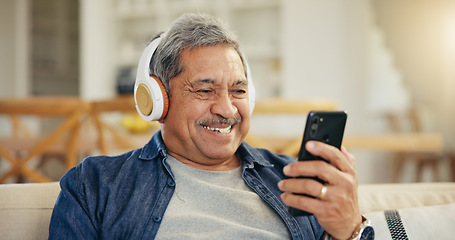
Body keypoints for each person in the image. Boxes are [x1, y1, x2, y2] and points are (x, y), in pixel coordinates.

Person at [49, 13, 373, 240]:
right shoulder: (94, 185)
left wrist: (349, 230)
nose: (227, 108)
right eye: (204, 90)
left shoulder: (298, 181)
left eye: (239, 90)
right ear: (157, 100)